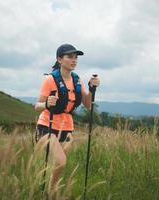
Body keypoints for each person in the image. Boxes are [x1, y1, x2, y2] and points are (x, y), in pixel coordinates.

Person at [34, 43, 100, 194]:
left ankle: (50, 192)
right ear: (59, 59)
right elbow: (37, 106)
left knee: (59, 164)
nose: (74, 60)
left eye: (76, 57)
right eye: (70, 57)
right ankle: (51, 192)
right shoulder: (50, 80)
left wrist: (91, 89)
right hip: (47, 125)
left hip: (66, 127)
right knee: (61, 161)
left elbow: (88, 104)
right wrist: (46, 103)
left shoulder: (77, 80)